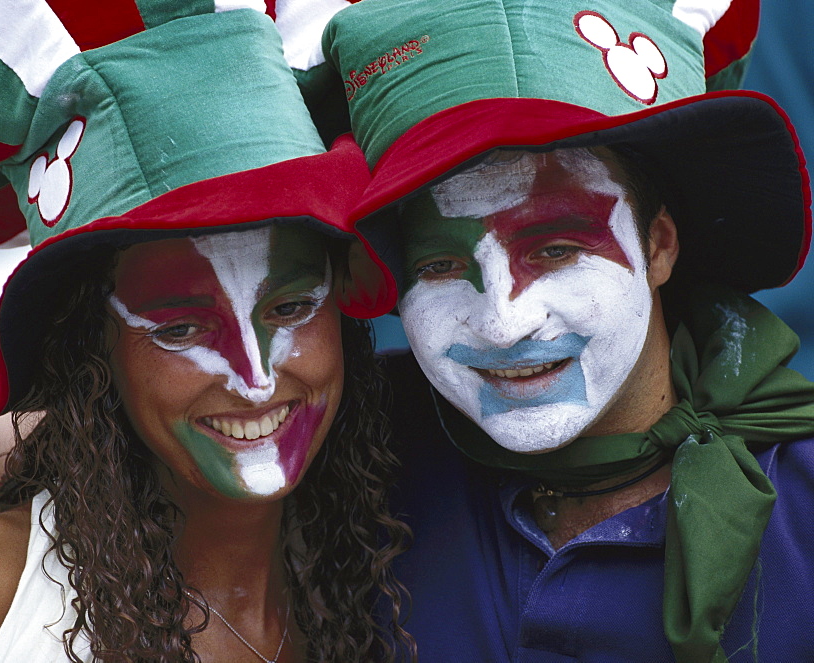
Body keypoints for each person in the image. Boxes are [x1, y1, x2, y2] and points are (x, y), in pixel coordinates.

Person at [0, 3, 414, 661]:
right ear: (90, 348)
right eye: (181, 326)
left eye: (289, 307)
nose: (255, 375)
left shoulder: (395, 570)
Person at [308, 1, 814, 661]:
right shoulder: (355, 466)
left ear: (660, 245)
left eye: (554, 250)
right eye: (439, 265)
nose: (505, 322)